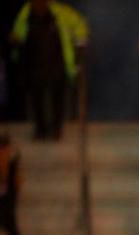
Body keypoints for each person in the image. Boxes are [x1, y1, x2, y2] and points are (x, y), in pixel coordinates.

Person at [10, 0, 88, 140]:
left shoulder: (60, 12)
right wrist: (16, 41)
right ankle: (41, 130)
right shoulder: (26, 13)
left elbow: (80, 25)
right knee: (37, 100)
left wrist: (80, 40)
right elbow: (18, 34)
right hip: (34, 66)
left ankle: (56, 130)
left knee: (57, 100)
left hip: (57, 65)